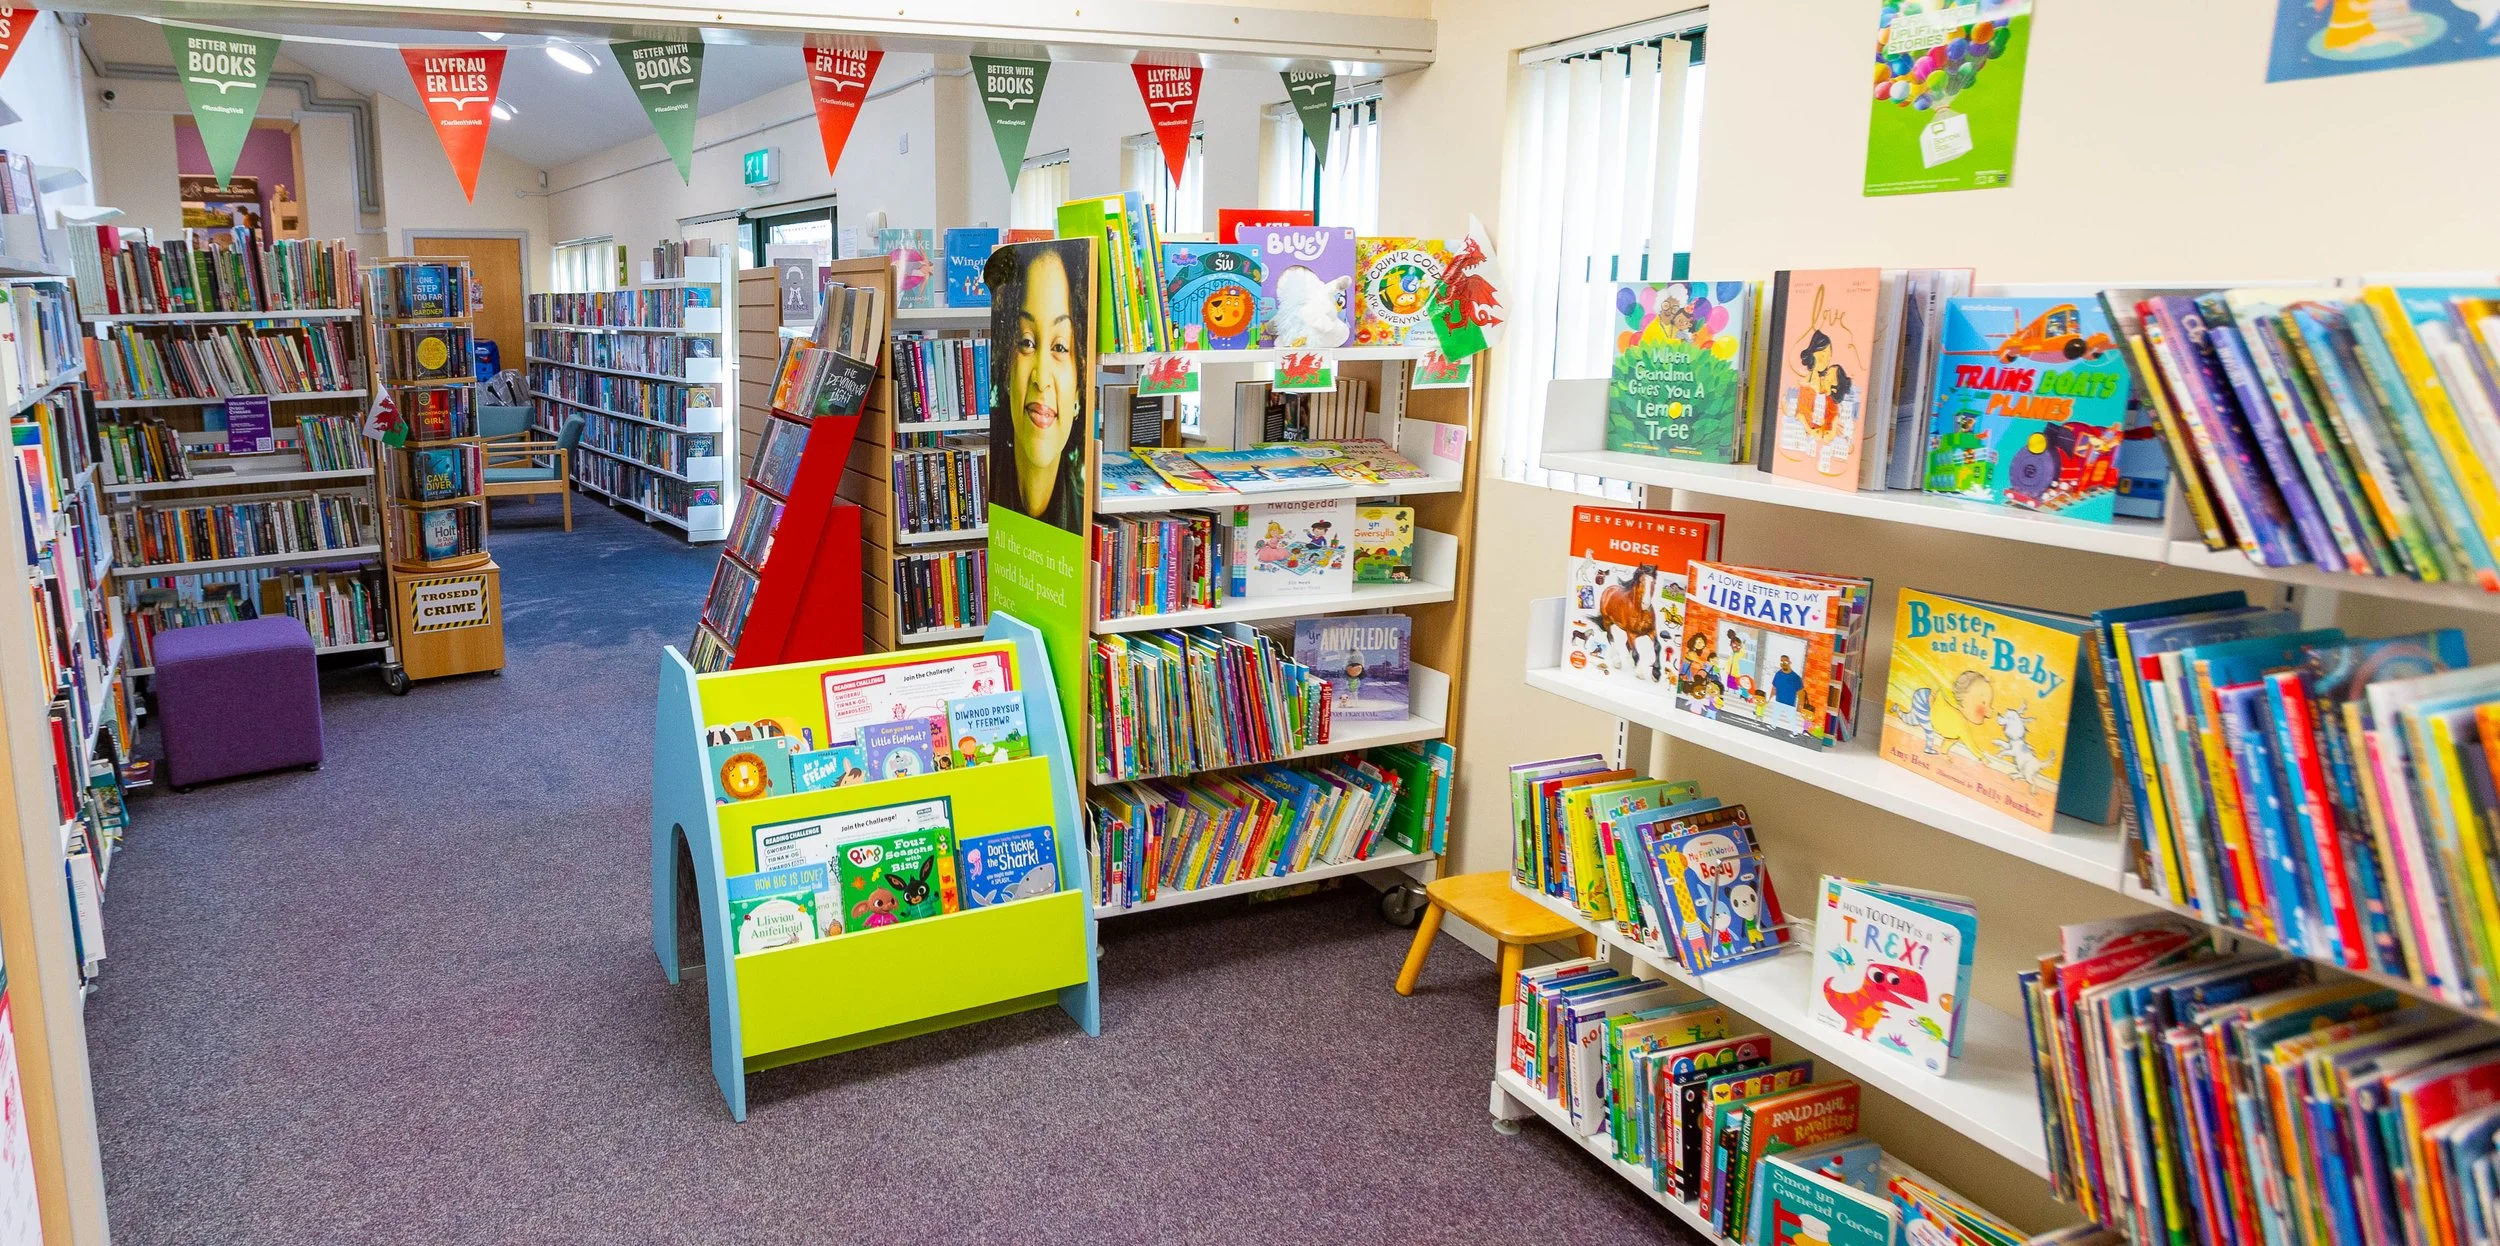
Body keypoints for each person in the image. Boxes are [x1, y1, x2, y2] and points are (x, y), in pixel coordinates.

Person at [989, 244, 1089, 532]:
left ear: (1079, 389)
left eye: (1060, 347)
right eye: (1027, 342)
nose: (1041, 377)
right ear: (1007, 364)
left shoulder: (1085, 522)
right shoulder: (983, 485)